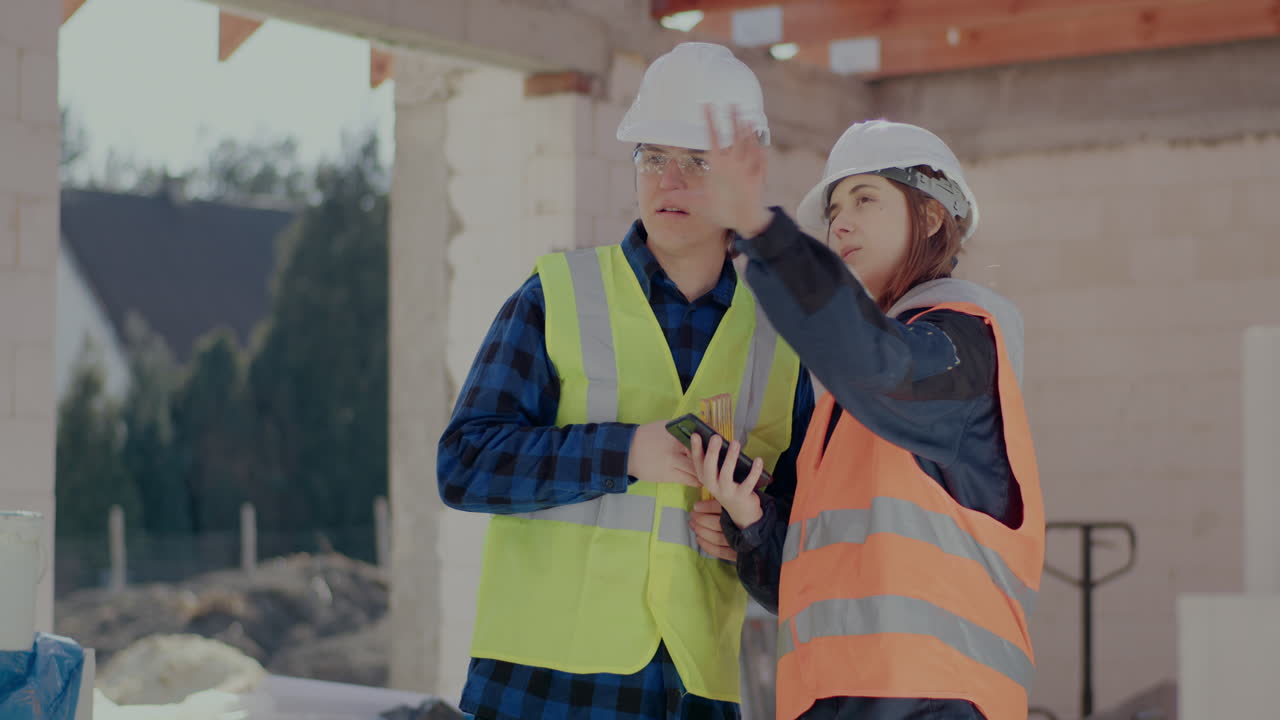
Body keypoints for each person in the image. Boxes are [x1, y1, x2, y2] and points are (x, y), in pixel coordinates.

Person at [437, 43, 814, 720]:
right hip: (540, 688)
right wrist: (625, 451)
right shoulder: (557, 295)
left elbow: (805, 550)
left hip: (691, 692)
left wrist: (749, 533)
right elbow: (464, 465)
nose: (669, 180)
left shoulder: (782, 344)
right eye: (652, 156)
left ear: (743, 174)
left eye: (696, 160)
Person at [689, 113, 1045, 720]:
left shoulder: (962, 346)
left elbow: (877, 363)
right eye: (833, 211)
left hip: (933, 704)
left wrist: (760, 227)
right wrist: (750, 518)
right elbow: (805, 591)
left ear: (931, 217)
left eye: (864, 198)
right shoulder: (843, 405)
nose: (841, 223)